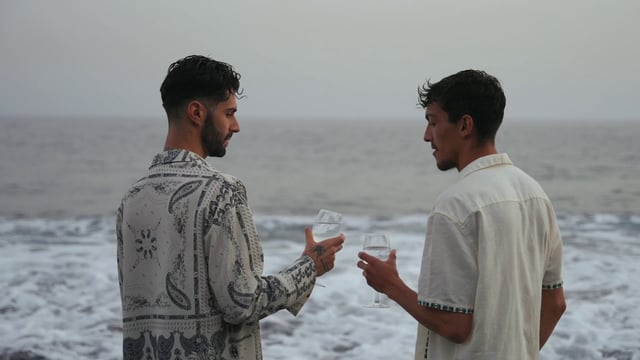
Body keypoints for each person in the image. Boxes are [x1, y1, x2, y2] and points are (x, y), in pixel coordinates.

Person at [116, 55, 345, 360]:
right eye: (229, 113)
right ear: (196, 112)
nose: (235, 126)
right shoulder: (220, 191)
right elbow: (242, 303)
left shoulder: (132, 198)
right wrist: (309, 267)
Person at [357, 70, 566, 359]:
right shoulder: (535, 194)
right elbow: (555, 303)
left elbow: (454, 324)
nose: (427, 136)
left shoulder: (455, 204)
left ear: (465, 125)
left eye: (433, 122)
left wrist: (391, 285)